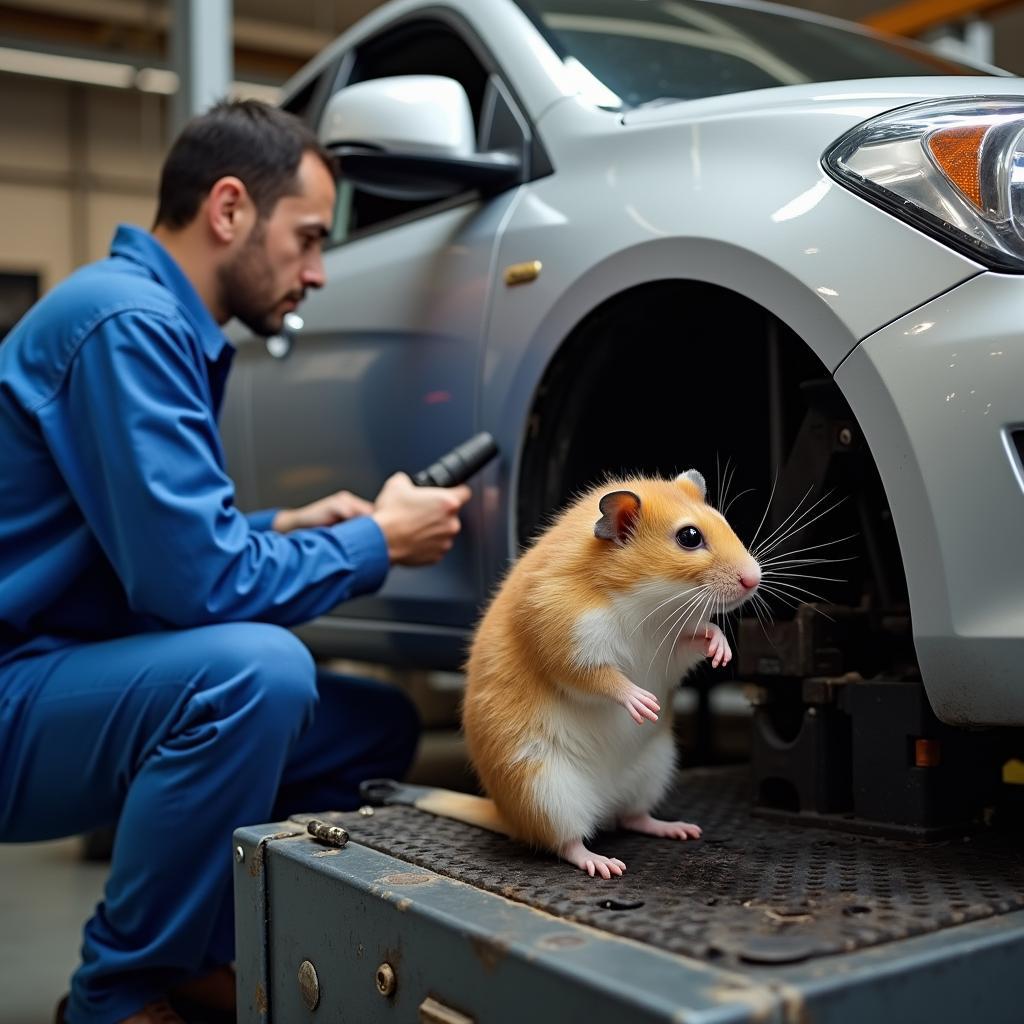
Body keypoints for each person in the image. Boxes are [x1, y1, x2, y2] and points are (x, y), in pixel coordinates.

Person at [0, 100, 471, 1024]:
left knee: (367, 727)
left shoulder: (141, 318)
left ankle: (198, 956)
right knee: (255, 676)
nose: (319, 271)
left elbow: (143, 548)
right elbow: (194, 587)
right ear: (228, 210)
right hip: (13, 698)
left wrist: (285, 523)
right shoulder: (124, 320)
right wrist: (376, 541)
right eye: (306, 238)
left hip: (50, 676)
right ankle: (116, 998)